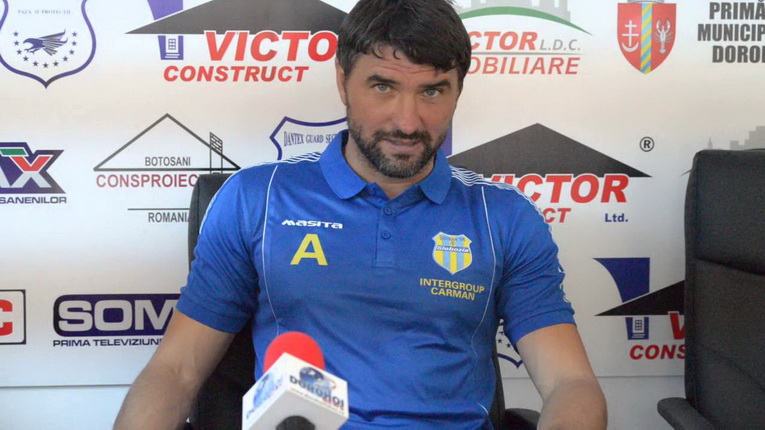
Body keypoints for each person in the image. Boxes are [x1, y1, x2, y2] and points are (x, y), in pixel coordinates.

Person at [114, 0, 606, 428]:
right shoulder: (256, 199)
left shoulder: (504, 217)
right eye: (383, 87)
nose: (407, 122)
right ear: (342, 81)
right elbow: (175, 372)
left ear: (458, 91)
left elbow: (570, 382)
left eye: (432, 91)